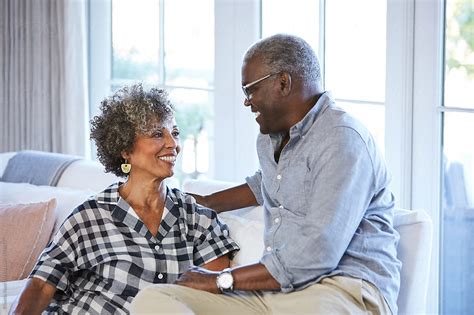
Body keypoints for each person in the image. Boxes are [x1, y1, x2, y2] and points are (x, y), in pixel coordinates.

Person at [131, 34, 401, 314]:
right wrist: (206, 203)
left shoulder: (342, 140)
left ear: (283, 82)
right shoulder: (269, 138)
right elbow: (267, 184)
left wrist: (223, 280)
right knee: (155, 300)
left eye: (250, 89)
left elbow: (318, 254)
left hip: (341, 290)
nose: (247, 102)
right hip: (276, 292)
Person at [9, 84, 239, 314]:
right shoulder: (91, 216)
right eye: (158, 133)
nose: (173, 144)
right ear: (125, 150)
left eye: (175, 133)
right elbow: (40, 285)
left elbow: (214, 298)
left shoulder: (197, 219)